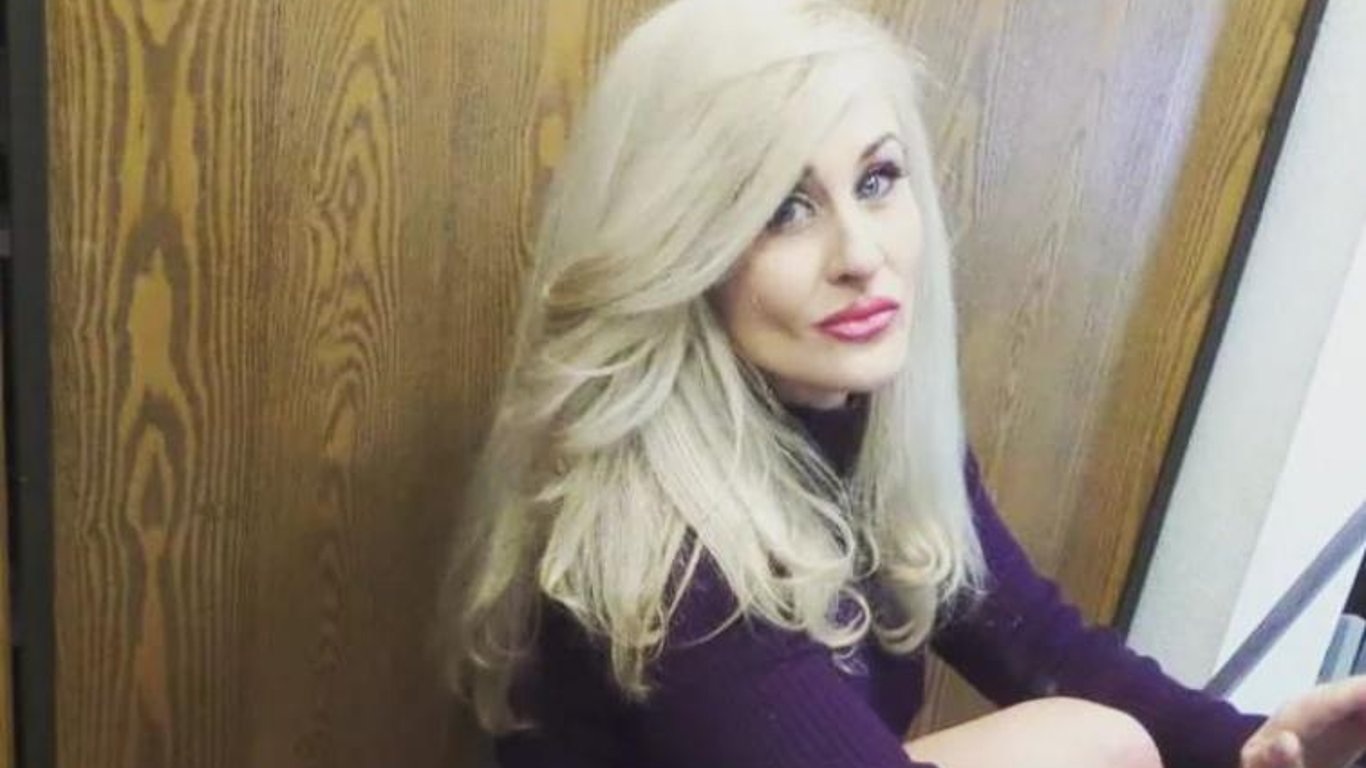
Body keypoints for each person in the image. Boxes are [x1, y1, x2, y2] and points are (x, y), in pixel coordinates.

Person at [435, 1, 1366, 766]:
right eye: (783, 209)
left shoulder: (874, 435)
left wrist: (1250, 743)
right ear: (682, 247)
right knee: (1094, 744)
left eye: (877, 179)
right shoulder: (668, 544)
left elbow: (1036, 644)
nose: (861, 253)